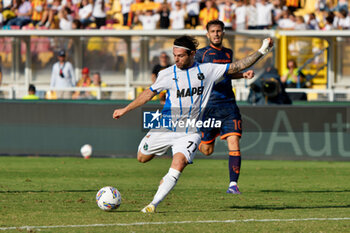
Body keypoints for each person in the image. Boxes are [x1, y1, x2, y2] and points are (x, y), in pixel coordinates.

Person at [112, 35, 273, 213]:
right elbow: (148, 94)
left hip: (191, 130)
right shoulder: (166, 74)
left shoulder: (208, 70)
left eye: (180, 55)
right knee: (142, 158)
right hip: (165, 127)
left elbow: (238, 65)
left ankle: (153, 204)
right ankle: (164, 167)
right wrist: (124, 109)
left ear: (192, 54)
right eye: (174, 55)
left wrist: (262, 50)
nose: (176, 59)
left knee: (178, 164)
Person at [195, 19, 253, 194]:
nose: (216, 34)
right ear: (208, 34)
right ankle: (197, 138)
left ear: (223, 33)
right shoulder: (201, 55)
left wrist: (242, 75)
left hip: (228, 105)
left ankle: (233, 185)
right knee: (206, 150)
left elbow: (227, 73)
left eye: (219, 31)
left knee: (234, 141)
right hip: (209, 106)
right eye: (213, 31)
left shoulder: (228, 53)